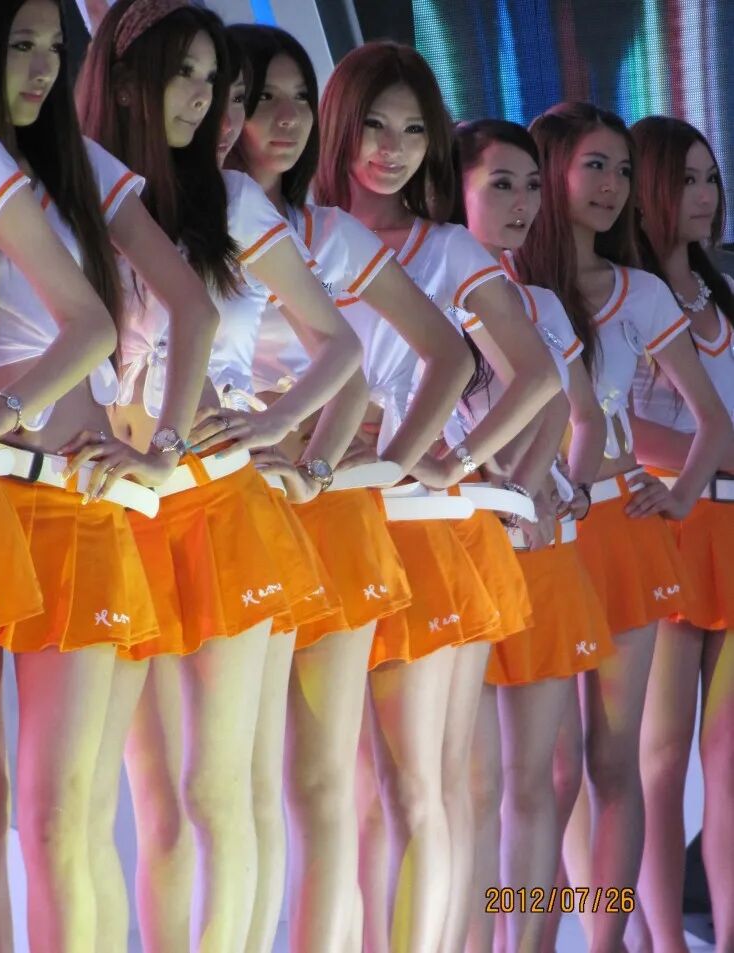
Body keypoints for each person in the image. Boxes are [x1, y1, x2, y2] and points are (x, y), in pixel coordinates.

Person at [77, 4, 363, 950]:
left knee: (219, 786)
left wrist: (273, 426)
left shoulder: (234, 201)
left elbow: (339, 345)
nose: (203, 99)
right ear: (125, 82)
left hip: (220, 501)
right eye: (184, 74)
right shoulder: (78, 193)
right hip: (121, 503)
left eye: (213, 80)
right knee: (155, 795)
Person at [230, 24, 485, 953]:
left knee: (328, 782)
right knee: (234, 782)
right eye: (262, 99)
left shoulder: (328, 234)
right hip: (224, 508)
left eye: (299, 98)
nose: (285, 119)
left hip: (328, 512)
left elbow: (445, 357)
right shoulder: (190, 217)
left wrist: (357, 459)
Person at [317, 42, 562, 953]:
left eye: (414, 130)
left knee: (424, 785)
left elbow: (537, 375)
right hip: (327, 515)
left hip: (422, 528)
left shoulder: (446, 247)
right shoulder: (299, 230)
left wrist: (445, 459)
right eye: (375, 125)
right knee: (351, 789)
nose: (392, 149)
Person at [0, 1, 221, 949]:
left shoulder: (79, 167)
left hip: (71, 499)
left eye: (54, 47)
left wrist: (164, 447)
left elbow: (184, 310)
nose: (42, 67)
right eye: (21, 45)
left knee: (63, 814)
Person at [514, 101, 731, 952]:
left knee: (615, 764)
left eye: (621, 170)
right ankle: (539, 929)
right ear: (552, 171)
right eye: (593, 167)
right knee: (547, 772)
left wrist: (679, 496)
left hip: (622, 535)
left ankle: (608, 941)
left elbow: (710, 418)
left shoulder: (639, 291)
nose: (611, 186)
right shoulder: (504, 286)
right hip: (534, 540)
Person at [451, 118, 612, 953]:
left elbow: (577, 409)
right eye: (500, 184)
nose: (522, 203)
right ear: (456, 188)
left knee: (534, 781)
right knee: (470, 783)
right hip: (456, 552)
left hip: (541, 556)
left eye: (531, 185)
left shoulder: (542, 302)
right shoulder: (423, 285)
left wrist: (565, 487)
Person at [629, 115, 734, 953]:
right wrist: (717, 451)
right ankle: (661, 939)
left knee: (727, 759)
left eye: (710, 178)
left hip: (731, 529)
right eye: (686, 179)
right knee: (656, 762)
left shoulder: (717, 288)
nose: (703, 195)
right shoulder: (623, 293)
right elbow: (615, 423)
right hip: (663, 525)